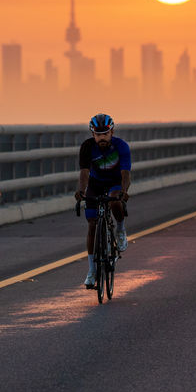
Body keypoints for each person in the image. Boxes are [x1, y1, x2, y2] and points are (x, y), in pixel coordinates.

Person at [74, 113, 131, 288]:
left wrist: (123, 191)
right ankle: (92, 271)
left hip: (115, 183)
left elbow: (125, 174)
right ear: (93, 134)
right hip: (96, 184)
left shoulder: (121, 146)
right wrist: (81, 191)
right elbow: (84, 172)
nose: (102, 138)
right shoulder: (87, 147)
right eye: (98, 135)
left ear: (112, 131)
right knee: (92, 224)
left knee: (114, 201)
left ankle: (120, 230)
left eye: (105, 133)